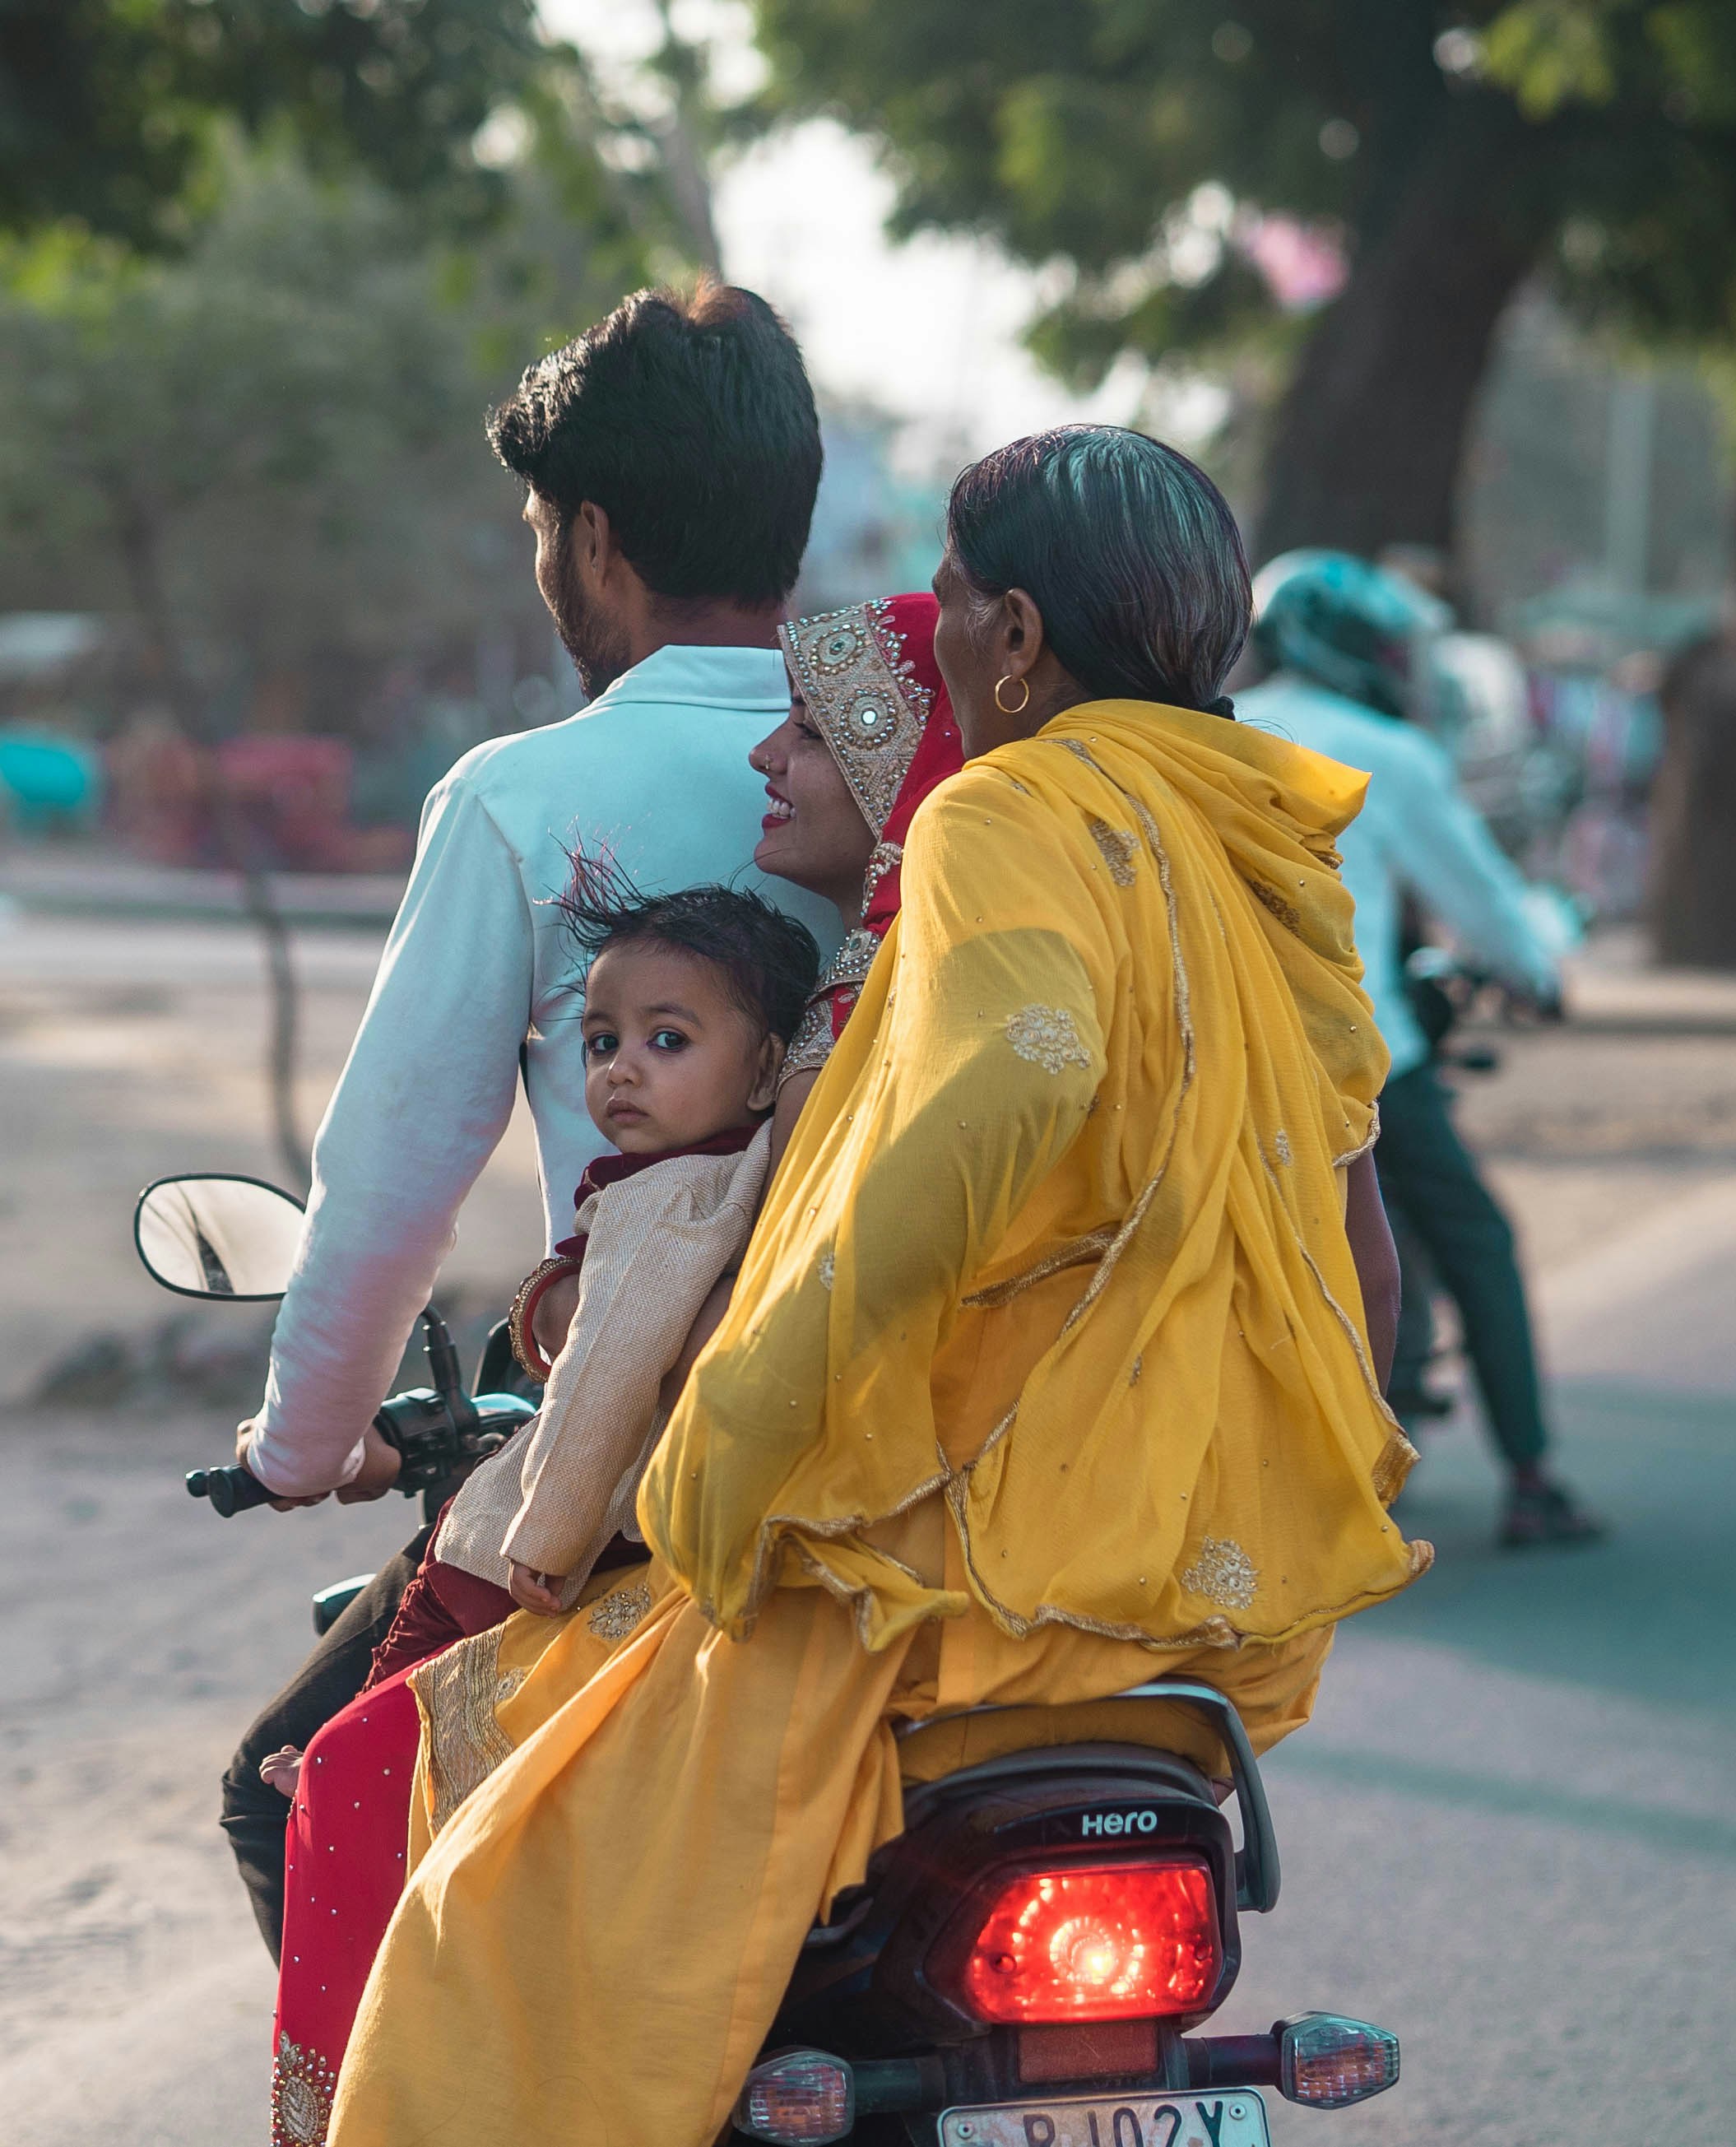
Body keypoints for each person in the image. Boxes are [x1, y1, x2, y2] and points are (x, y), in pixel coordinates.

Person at [326, 430, 1430, 2147]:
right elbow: (1356, 1230)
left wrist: (743, 1423)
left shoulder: (1007, 807)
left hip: (963, 1585)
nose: (951, 628)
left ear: (1015, 635)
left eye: (957, 597)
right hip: (1213, 1614)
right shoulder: (1262, 842)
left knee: (487, 1874)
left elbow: (998, 1105)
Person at [262, 596, 959, 2147]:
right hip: (873, 1539)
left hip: (688, 1546)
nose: (764, 764)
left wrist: (327, 1455)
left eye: (812, 735)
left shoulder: (839, 1028)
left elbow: (408, 1210)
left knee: (338, 1775)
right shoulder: (898, 989)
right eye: (601, 1045)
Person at [219, 280, 838, 1961]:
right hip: (912, 1431)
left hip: (641, 1444)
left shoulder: (518, 794)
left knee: (286, 1792)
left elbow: (390, 1180)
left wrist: (300, 1445)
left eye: (543, 532)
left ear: (596, 538)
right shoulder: (921, 762)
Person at [1237, 550, 1604, 1548]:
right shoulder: (1383, 753)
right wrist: (1535, 974)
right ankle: (1528, 1475)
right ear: (1351, 648)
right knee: (1475, 1238)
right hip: (1359, 1058)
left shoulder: (1215, 733)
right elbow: (1480, 898)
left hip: (1222, 1050)